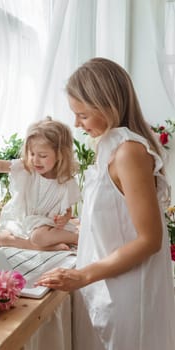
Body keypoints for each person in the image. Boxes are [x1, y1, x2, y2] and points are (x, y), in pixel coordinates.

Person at [35, 58, 175, 349]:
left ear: (108, 105)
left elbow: (150, 240)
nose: (76, 123)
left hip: (127, 292)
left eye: (83, 115)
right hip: (109, 286)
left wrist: (82, 274)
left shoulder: (129, 152)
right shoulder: (111, 147)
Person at [0, 118, 81, 251]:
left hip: (46, 225)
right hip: (24, 221)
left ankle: (76, 238)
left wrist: (64, 218)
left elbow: (67, 209)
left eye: (42, 155)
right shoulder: (28, 168)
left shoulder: (65, 181)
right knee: (0, 237)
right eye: (32, 153)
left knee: (38, 236)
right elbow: (2, 165)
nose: (35, 160)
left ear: (60, 155)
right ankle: (45, 247)